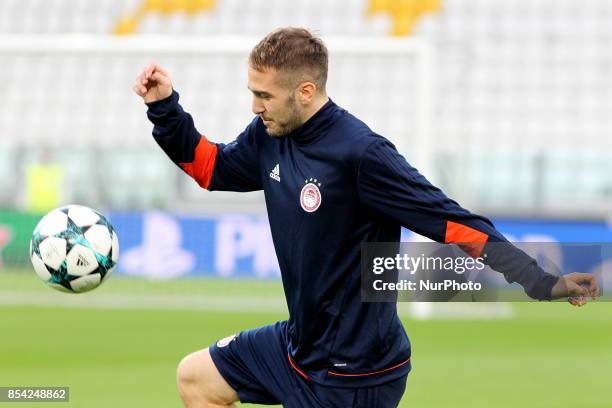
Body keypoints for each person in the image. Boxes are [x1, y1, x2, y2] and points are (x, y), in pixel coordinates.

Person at [134, 27, 599, 408]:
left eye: (264, 95)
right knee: (197, 379)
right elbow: (209, 168)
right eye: (253, 93)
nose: (255, 106)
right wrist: (165, 107)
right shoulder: (270, 133)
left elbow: (454, 223)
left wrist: (541, 282)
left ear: (306, 90)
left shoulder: (361, 154)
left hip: (356, 375)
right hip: (300, 347)